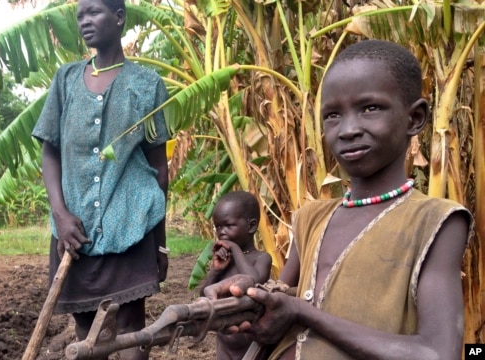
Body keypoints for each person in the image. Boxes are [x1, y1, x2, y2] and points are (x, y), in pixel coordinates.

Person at [203, 39, 473, 360]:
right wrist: (247, 294)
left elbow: (437, 351)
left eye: (370, 108)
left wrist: (304, 313)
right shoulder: (312, 217)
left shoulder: (435, 221)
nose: (348, 130)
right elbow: (283, 297)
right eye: (332, 115)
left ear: (415, 118)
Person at [30, 0, 169, 358]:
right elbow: (51, 151)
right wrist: (60, 215)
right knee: (86, 329)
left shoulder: (147, 84)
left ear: (119, 18)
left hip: (131, 227)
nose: (85, 21)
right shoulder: (65, 80)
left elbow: (159, 169)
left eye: (94, 12)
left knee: (129, 330)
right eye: (80, 16)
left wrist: (160, 242)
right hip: (75, 232)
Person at [198, 190, 272, 359]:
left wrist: (234, 248)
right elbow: (204, 295)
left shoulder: (261, 258)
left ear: (251, 226)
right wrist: (215, 271)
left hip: (251, 340)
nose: (222, 232)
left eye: (229, 226)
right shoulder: (225, 261)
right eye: (218, 227)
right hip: (224, 340)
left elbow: (254, 280)